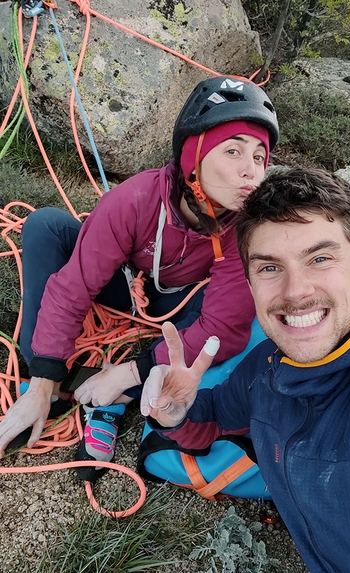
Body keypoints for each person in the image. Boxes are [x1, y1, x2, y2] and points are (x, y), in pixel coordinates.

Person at [141, 167, 350, 573]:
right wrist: (178, 413)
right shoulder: (265, 371)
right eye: (270, 268)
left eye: (321, 258)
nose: (296, 291)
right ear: (249, 280)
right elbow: (216, 418)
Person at [0, 75, 279, 483]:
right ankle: (46, 384)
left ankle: (112, 398)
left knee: (235, 315)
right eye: (233, 151)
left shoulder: (243, 230)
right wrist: (43, 381)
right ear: (192, 156)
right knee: (45, 225)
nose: (249, 172)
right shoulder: (133, 200)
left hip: (176, 303)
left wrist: (133, 371)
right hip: (125, 282)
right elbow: (73, 286)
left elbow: (222, 328)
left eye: (259, 157)